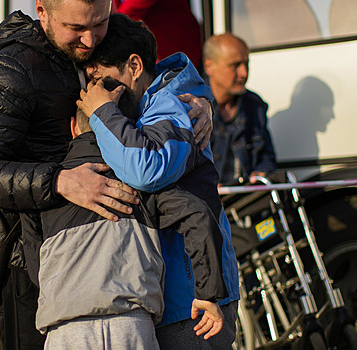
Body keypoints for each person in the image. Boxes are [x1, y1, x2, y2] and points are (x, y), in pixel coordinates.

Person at [0, 0, 213, 350]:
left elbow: (144, 74)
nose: (91, 39)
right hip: (29, 268)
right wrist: (60, 181)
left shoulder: (82, 55)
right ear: (42, 11)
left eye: (100, 23)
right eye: (76, 27)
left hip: (104, 267)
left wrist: (195, 101)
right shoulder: (8, 72)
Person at [80, 13, 240, 349]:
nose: (96, 90)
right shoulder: (162, 104)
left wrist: (102, 112)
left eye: (102, 78)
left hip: (192, 302)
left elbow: (146, 169)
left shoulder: (172, 108)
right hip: (188, 295)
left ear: (135, 67)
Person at [36, 79, 223, 349]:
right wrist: (208, 293)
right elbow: (198, 215)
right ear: (129, 128)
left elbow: (32, 251)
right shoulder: (137, 182)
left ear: (73, 128)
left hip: (63, 327)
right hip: (129, 322)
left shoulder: (55, 184)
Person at [203, 33, 277, 184]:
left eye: (246, 64)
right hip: (201, 204)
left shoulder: (254, 106)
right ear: (209, 66)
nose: (244, 73)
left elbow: (266, 159)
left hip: (243, 203)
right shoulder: (188, 105)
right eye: (235, 65)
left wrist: (260, 174)